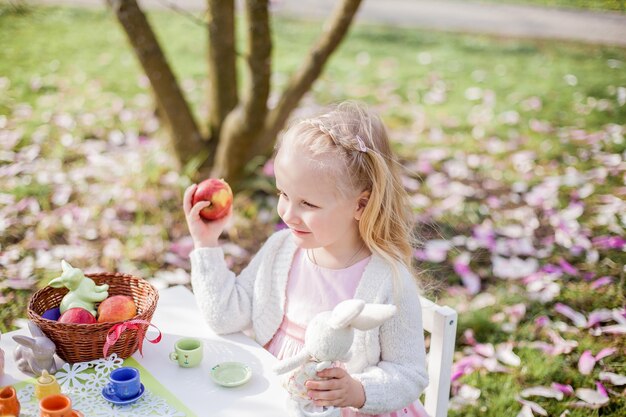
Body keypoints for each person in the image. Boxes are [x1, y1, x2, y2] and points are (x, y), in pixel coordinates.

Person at [184, 102, 429, 416]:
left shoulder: (388, 281)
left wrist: (357, 390)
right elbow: (226, 315)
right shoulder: (280, 250)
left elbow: (408, 373)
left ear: (360, 205)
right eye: (283, 194)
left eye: (308, 204)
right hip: (274, 402)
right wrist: (205, 244)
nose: (287, 214)